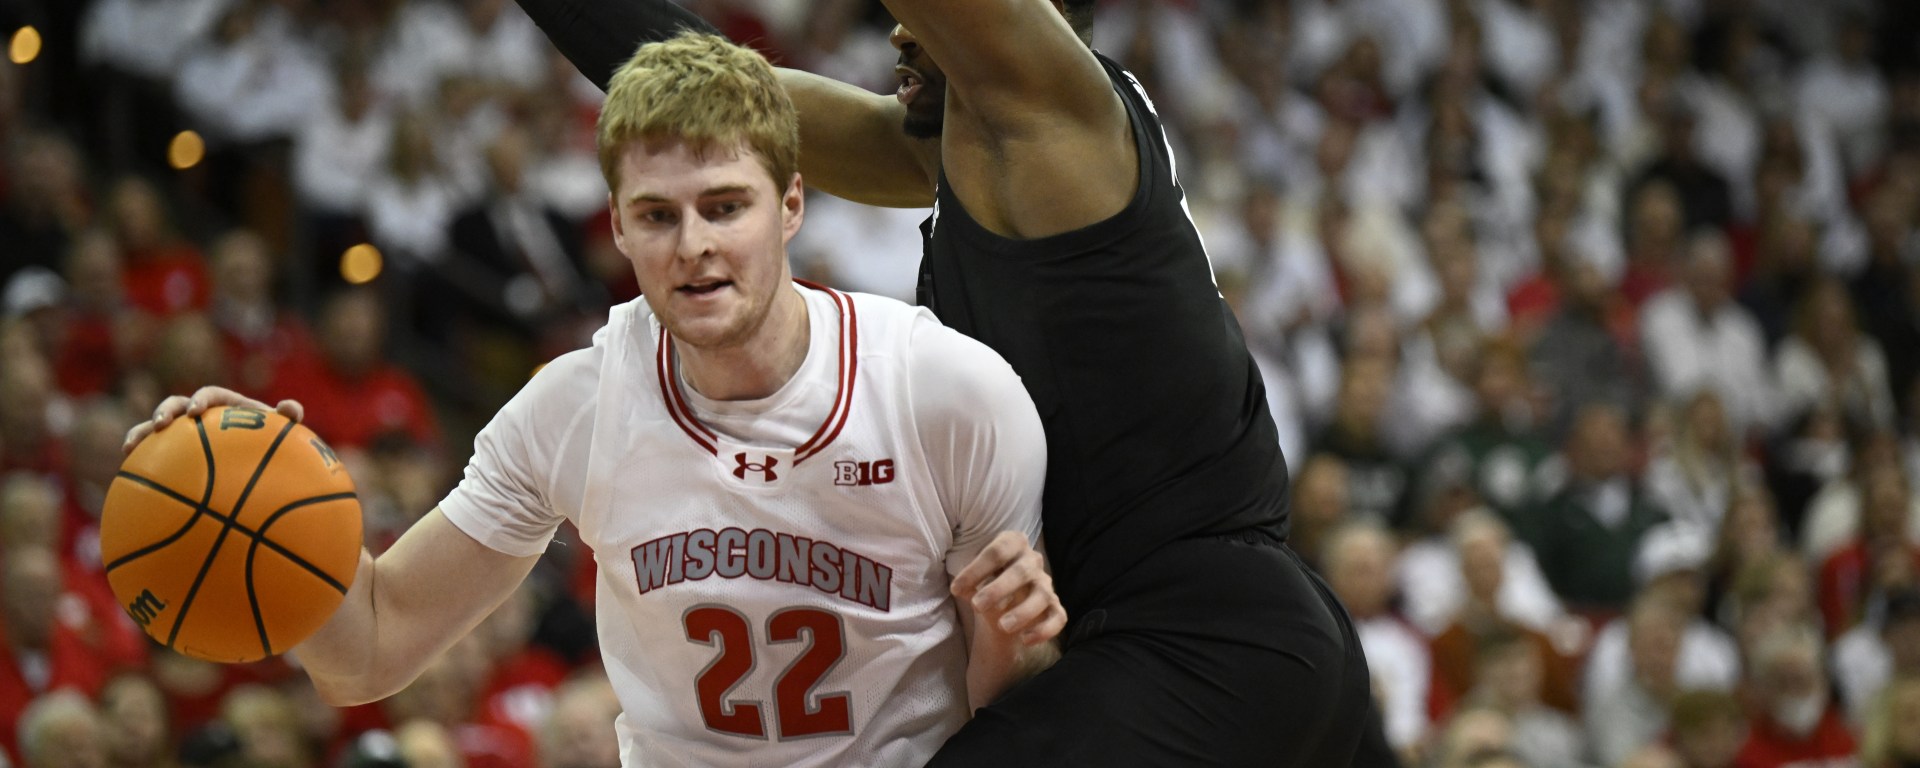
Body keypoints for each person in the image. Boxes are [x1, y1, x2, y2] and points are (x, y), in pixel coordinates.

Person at [126, 33, 1064, 767]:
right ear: (615, 223)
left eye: (725, 206)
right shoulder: (576, 405)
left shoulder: (948, 393)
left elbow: (1016, 713)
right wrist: (261, 505)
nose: (692, 244)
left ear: (791, 206)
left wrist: (1018, 650)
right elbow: (370, 649)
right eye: (657, 215)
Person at [510, 0, 1388, 764]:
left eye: (926, 24)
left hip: (1204, 638)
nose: (897, 31)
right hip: (1217, 640)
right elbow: (723, 100)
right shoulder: (971, 155)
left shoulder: (1053, 115)